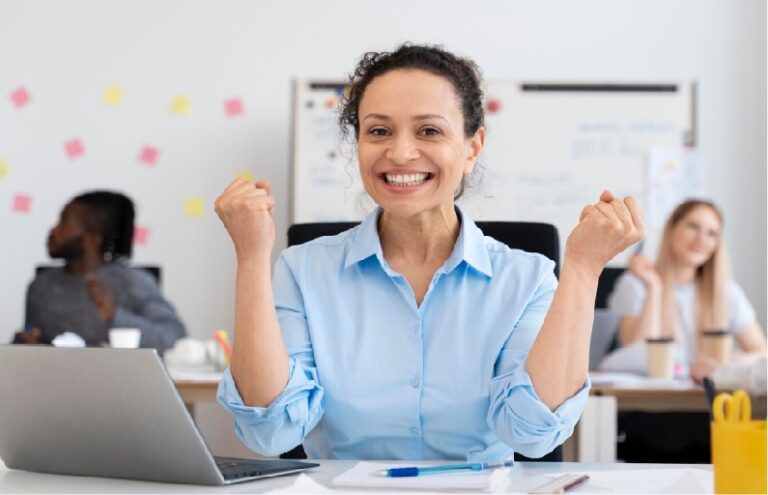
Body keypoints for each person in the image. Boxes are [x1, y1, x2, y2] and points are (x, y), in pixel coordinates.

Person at [215, 44, 642, 461]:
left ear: (472, 148)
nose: (400, 153)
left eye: (429, 131)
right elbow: (270, 432)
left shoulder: (527, 279)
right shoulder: (303, 270)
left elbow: (531, 434)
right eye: (378, 131)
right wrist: (252, 256)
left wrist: (584, 270)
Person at [13, 190, 186, 354]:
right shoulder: (41, 286)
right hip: (56, 381)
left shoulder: (132, 282)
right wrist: (24, 344)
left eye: (63, 222)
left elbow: (174, 339)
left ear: (93, 239)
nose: (53, 230)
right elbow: (34, 346)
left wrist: (114, 315)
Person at [608, 199, 766, 370]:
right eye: (694, 227)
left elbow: (762, 353)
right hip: (652, 395)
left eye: (712, 234)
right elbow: (638, 357)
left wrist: (732, 362)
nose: (701, 239)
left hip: (708, 394)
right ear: (672, 229)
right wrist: (654, 288)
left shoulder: (727, 292)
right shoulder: (635, 285)